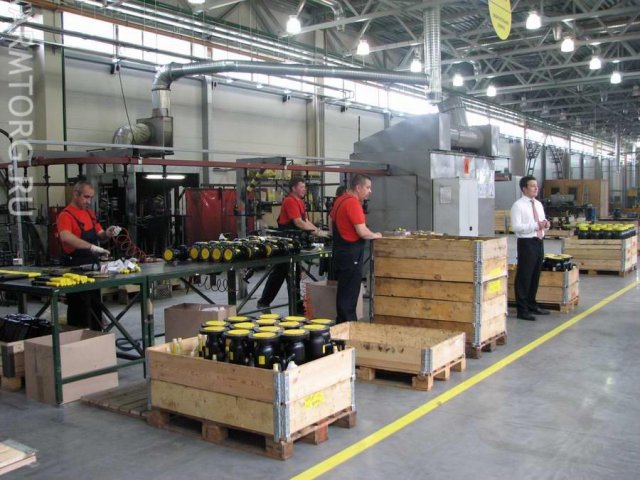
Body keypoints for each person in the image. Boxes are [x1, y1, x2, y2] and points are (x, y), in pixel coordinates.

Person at [257, 176, 327, 313]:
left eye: (304, 187)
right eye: (301, 187)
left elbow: (305, 221)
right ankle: (271, 303)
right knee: (283, 272)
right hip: (286, 243)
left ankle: (292, 305)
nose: (304, 189)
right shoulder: (290, 201)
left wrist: (320, 232)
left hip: (294, 243)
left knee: (289, 273)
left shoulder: (300, 202)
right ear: (294, 188)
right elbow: (298, 222)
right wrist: (318, 233)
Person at [58, 181, 121, 330]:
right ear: (76, 194)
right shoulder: (65, 215)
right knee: (79, 309)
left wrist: (108, 232)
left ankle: (96, 338)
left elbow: (100, 234)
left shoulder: (89, 214)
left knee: (95, 307)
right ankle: (79, 339)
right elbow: (66, 237)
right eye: (86, 197)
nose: (89, 201)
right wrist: (91, 247)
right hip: (75, 270)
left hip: (93, 269)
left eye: (91, 197)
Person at [330, 174, 381, 323]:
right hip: (351, 255)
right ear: (358, 187)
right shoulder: (353, 203)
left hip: (340, 252)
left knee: (343, 293)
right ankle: (348, 328)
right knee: (349, 295)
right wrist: (376, 235)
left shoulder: (340, 200)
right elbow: (362, 232)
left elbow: (331, 221)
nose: (370, 191)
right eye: (368, 187)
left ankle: (341, 326)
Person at [510, 175, 551, 321]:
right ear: (524, 189)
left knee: (535, 275)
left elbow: (542, 222)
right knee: (524, 276)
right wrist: (536, 225)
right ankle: (522, 309)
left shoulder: (538, 204)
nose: (536, 188)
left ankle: (532, 304)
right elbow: (516, 227)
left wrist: (546, 225)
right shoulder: (518, 206)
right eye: (532, 186)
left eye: (536, 186)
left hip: (538, 241)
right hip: (526, 243)